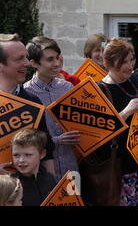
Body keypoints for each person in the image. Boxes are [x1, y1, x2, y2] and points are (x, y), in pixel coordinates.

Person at [88, 38, 138, 206]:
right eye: (124, 62)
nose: (130, 66)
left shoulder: (132, 80)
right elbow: (99, 133)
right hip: (122, 170)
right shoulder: (100, 90)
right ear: (109, 64)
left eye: (131, 60)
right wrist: (126, 112)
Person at [24, 36, 80, 180]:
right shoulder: (26, 94)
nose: (56, 63)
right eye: (50, 59)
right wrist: (56, 140)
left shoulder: (68, 88)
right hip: (43, 171)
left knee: (74, 202)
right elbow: (26, 139)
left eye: (57, 57)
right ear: (34, 63)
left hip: (71, 167)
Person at [0, 34, 55, 176]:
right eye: (19, 59)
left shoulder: (33, 102)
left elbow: (46, 150)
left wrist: (50, 189)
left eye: (26, 56)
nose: (28, 63)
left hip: (29, 192)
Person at [11, 128, 57, 206]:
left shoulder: (50, 179)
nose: (21, 160)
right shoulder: (10, 185)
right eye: (16, 155)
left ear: (42, 154)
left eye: (28, 155)